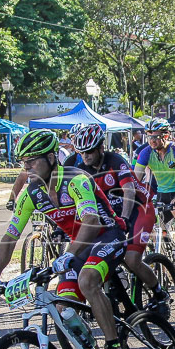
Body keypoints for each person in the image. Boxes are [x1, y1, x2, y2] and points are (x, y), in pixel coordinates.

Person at [0, 129, 131, 349]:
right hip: (79, 244)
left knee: (87, 280)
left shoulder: (76, 179)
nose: (26, 167)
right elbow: (11, 235)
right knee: (64, 308)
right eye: (23, 162)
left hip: (108, 236)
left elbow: (91, 222)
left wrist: (69, 255)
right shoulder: (32, 193)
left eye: (32, 161)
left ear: (51, 158)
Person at [64, 123, 166, 311]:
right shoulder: (81, 169)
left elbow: (128, 191)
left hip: (138, 209)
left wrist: (125, 220)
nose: (85, 157)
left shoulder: (115, 160)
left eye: (90, 152)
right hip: (112, 215)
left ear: (101, 148)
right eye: (82, 152)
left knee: (132, 259)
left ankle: (159, 293)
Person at [133, 119, 175, 256]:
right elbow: (135, 178)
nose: (152, 140)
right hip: (161, 192)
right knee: (151, 223)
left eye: (156, 137)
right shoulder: (146, 152)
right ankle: (164, 264)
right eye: (149, 137)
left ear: (166, 136)